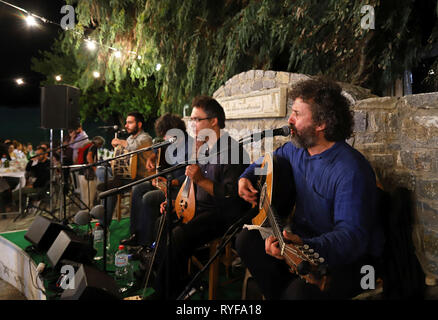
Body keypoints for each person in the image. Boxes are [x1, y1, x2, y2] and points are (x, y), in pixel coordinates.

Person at [235, 77, 385, 300]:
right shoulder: (298, 150)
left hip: (348, 261)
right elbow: (269, 159)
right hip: (302, 241)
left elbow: (351, 238)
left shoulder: (351, 170)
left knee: (298, 293)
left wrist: (305, 246)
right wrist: (246, 176)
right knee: (246, 241)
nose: (290, 120)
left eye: (297, 113)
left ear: (321, 124)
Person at [150, 96, 250, 299]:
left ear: (213, 121)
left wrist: (202, 180)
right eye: (191, 120)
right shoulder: (202, 147)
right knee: (162, 221)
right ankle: (173, 281)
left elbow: (233, 196)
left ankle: (169, 291)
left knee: (179, 235)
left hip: (222, 214)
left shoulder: (232, 150)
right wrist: (176, 202)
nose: (192, 124)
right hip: (199, 207)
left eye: (197, 119)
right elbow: (191, 183)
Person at [120, 113, 192, 251]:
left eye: (166, 134)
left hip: (181, 189)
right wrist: (151, 158)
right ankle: (136, 234)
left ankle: (146, 245)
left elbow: (191, 176)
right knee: (138, 188)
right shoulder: (172, 141)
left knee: (149, 197)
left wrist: (173, 181)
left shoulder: (191, 147)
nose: (164, 138)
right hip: (167, 183)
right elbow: (158, 146)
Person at [95, 112, 153, 227]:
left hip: (138, 177)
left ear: (139, 124)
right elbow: (124, 156)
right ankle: (112, 182)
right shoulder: (129, 138)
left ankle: (102, 225)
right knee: (101, 170)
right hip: (124, 174)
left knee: (110, 190)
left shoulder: (146, 138)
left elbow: (135, 147)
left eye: (130, 123)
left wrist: (120, 142)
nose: (126, 125)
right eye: (126, 123)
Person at [77, 136, 105, 209]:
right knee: (90, 195)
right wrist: (95, 168)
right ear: (99, 143)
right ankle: (89, 214)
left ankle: (84, 213)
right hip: (88, 173)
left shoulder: (86, 146)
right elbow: (89, 157)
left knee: (84, 196)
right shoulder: (93, 147)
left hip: (81, 173)